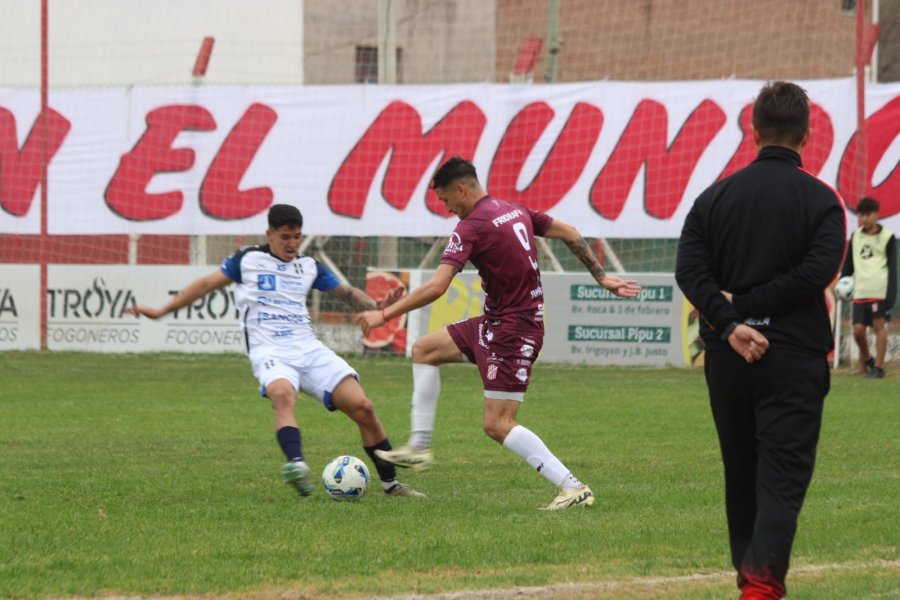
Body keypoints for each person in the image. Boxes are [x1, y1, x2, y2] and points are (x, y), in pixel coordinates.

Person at [356, 156, 641, 510]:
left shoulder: (471, 227)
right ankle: (420, 445)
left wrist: (385, 314)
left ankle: (572, 486)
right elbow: (568, 232)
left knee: (497, 424)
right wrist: (602, 277)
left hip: (513, 330)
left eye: (446, 200)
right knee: (425, 349)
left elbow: (437, 287)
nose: (447, 208)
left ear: (461, 189)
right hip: (497, 322)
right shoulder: (513, 209)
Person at [675, 81, 846, 599]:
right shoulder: (822, 201)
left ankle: (748, 577)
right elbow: (816, 273)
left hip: (729, 358)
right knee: (782, 477)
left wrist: (730, 321)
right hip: (793, 357)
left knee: (742, 472)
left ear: (752, 132)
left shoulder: (713, 198)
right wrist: (748, 311)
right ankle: (760, 587)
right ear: (808, 136)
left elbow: (689, 271)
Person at [127, 204, 423, 499]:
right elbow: (205, 284)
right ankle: (297, 466)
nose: (292, 244)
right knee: (283, 396)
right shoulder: (247, 260)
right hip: (270, 350)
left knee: (364, 408)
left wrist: (380, 308)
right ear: (269, 233)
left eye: (297, 237)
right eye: (285, 237)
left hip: (308, 348)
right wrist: (162, 310)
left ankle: (392, 486)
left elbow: (346, 294)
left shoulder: (307, 266)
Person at [841, 196, 896, 378]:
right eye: (861, 215)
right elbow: (848, 265)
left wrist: (890, 296)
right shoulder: (856, 236)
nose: (863, 219)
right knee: (857, 329)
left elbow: (893, 269)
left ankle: (878, 368)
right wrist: (843, 281)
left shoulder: (887, 237)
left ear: (876, 215)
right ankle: (867, 359)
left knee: (879, 326)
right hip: (860, 290)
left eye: (867, 215)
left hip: (878, 290)